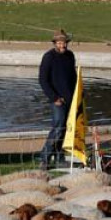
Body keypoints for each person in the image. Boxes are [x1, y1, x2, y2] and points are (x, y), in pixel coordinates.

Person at [38, 29, 77, 170]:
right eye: (60, 43)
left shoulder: (70, 56)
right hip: (57, 100)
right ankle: (44, 158)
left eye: (64, 42)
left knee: (65, 129)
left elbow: (73, 77)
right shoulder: (48, 57)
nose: (63, 45)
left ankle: (59, 158)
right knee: (57, 128)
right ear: (55, 43)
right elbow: (43, 80)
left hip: (70, 99)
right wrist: (54, 98)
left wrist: (77, 95)